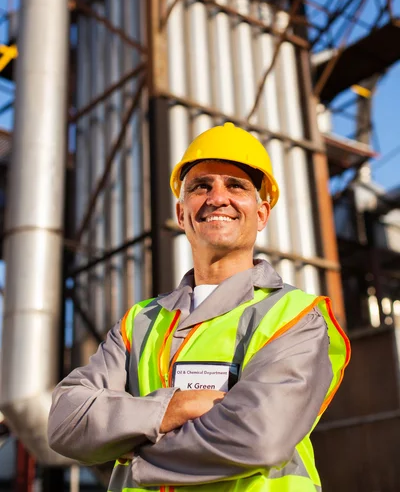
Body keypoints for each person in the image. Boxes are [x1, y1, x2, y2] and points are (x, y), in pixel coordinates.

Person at [48, 122, 350, 492]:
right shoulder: (138, 322)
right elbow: (66, 422)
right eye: (200, 186)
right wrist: (171, 409)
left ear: (261, 214)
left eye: (236, 186)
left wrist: (131, 449)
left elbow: (258, 436)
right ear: (181, 214)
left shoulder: (296, 316)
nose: (217, 197)